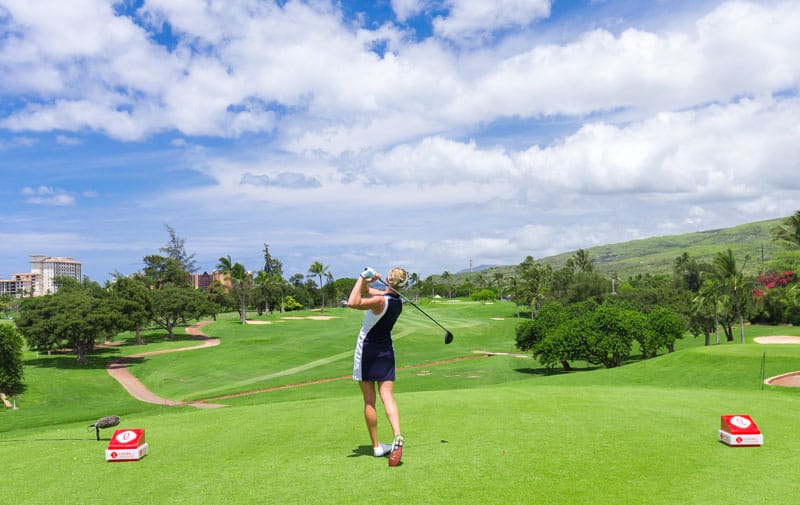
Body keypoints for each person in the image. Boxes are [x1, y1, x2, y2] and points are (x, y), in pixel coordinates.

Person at [347, 266, 408, 466]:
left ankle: (376, 446)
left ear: (389, 281)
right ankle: (397, 434)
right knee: (388, 397)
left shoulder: (380, 300)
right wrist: (368, 282)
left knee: (369, 401)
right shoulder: (397, 303)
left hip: (367, 352)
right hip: (386, 352)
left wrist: (361, 276)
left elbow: (353, 302)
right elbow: (367, 292)